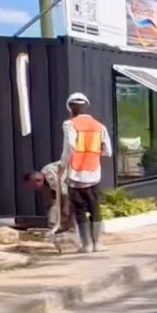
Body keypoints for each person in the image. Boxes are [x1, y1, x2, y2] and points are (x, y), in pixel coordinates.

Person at [59, 92, 113, 253]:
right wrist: (94, 154)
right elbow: (108, 151)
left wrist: (62, 165)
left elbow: (69, 146)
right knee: (95, 208)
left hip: (75, 175)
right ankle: (98, 244)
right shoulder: (99, 126)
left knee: (80, 209)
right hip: (93, 174)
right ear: (86, 107)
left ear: (70, 108)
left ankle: (87, 245)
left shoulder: (69, 124)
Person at [24, 161, 74, 252]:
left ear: (38, 180)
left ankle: (69, 229)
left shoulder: (50, 176)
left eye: (33, 186)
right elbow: (50, 199)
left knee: (66, 207)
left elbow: (64, 194)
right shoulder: (45, 179)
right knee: (55, 205)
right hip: (67, 183)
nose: (34, 189)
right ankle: (58, 228)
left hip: (78, 175)